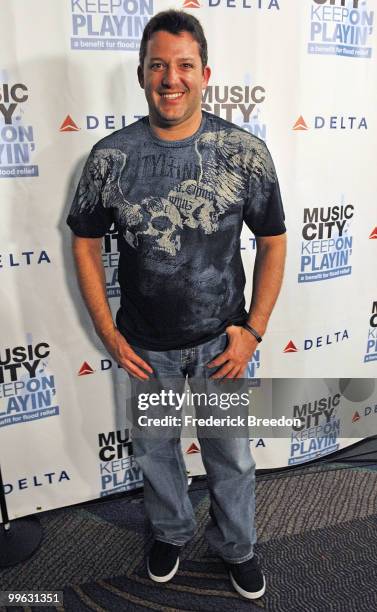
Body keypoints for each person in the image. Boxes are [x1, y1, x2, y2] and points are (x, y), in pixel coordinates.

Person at [67, 9, 286, 600]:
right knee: (158, 452)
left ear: (205, 73)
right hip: (145, 347)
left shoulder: (244, 153)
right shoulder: (110, 158)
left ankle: (237, 546)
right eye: (158, 65)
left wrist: (254, 331)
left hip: (223, 343)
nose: (171, 78)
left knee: (231, 456)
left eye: (184, 65)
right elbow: (84, 243)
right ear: (141, 73)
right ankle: (169, 531)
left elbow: (273, 241)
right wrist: (110, 335)